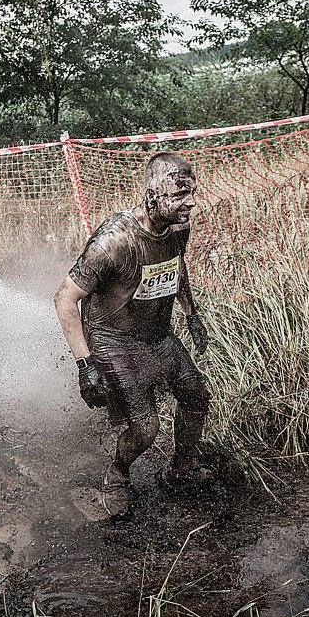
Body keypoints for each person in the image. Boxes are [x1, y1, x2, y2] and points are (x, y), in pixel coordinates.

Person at [54, 151, 211, 517]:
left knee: (196, 398)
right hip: (113, 339)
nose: (189, 204)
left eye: (192, 193)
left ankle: (181, 470)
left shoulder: (178, 227)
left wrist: (192, 314)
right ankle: (118, 473)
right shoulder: (113, 242)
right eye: (178, 196)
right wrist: (85, 364)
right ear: (152, 197)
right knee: (146, 427)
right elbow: (64, 298)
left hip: (156, 334)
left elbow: (176, 265)